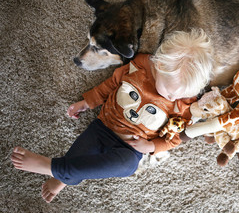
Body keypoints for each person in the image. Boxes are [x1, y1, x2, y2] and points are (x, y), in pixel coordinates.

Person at [11, 28, 213, 203]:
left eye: (183, 94)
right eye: (170, 93)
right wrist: (87, 102)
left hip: (130, 147)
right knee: (80, 154)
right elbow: (112, 84)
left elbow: (175, 138)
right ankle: (61, 174)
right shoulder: (140, 66)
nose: (175, 97)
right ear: (159, 66)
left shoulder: (184, 103)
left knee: (127, 167)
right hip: (103, 127)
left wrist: (151, 146)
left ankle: (55, 169)